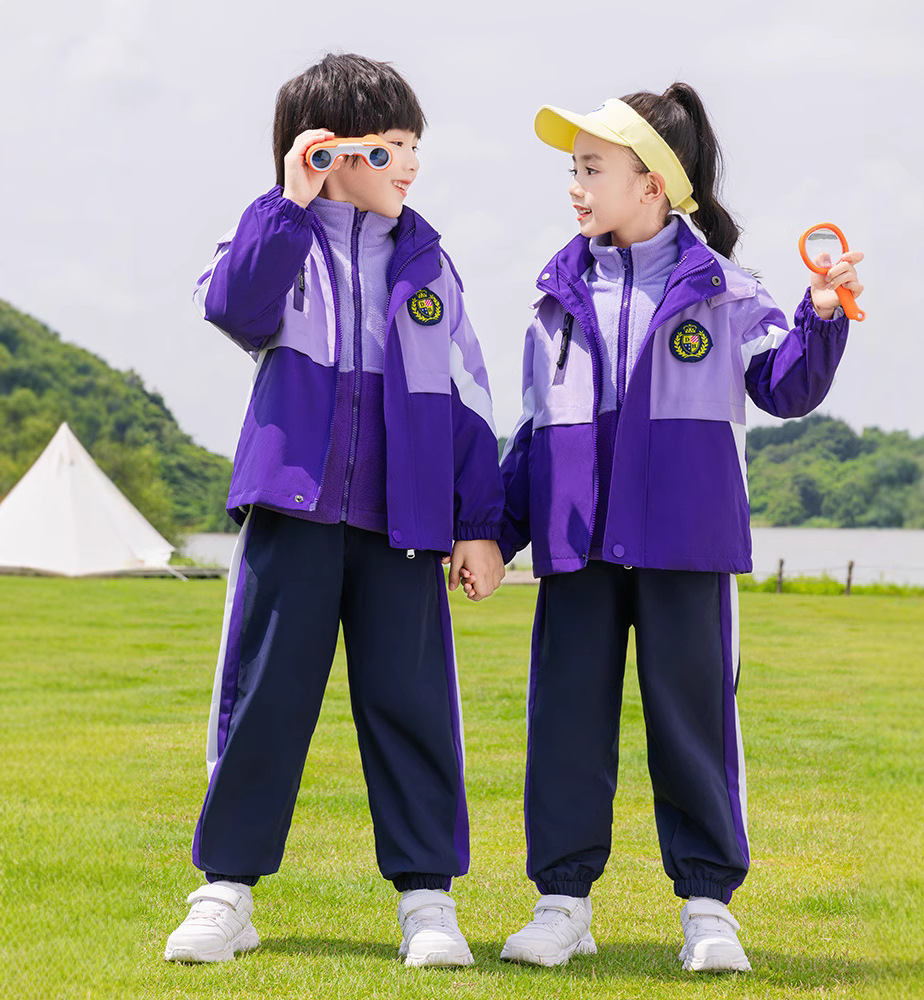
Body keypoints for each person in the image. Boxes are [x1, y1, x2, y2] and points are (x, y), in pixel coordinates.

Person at [496, 85, 864, 971]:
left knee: (693, 724)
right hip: (578, 550)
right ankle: (562, 904)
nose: (575, 187)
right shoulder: (555, 296)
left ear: (653, 184)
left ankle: (707, 909)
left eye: (591, 169)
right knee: (567, 724)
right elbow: (534, 431)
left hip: (687, 547)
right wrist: (491, 532)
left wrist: (820, 316)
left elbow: (785, 387)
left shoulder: (730, 293)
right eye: (573, 170)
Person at [164, 52, 506, 968]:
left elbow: (467, 399)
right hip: (293, 515)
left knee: (412, 705)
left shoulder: (430, 266)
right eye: (392, 147)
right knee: (264, 703)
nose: (411, 165)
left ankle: (428, 901)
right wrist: (288, 199)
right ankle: (226, 891)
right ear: (337, 152)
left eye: (413, 146)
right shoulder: (276, 239)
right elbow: (232, 307)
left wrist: (480, 521)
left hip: (405, 528)